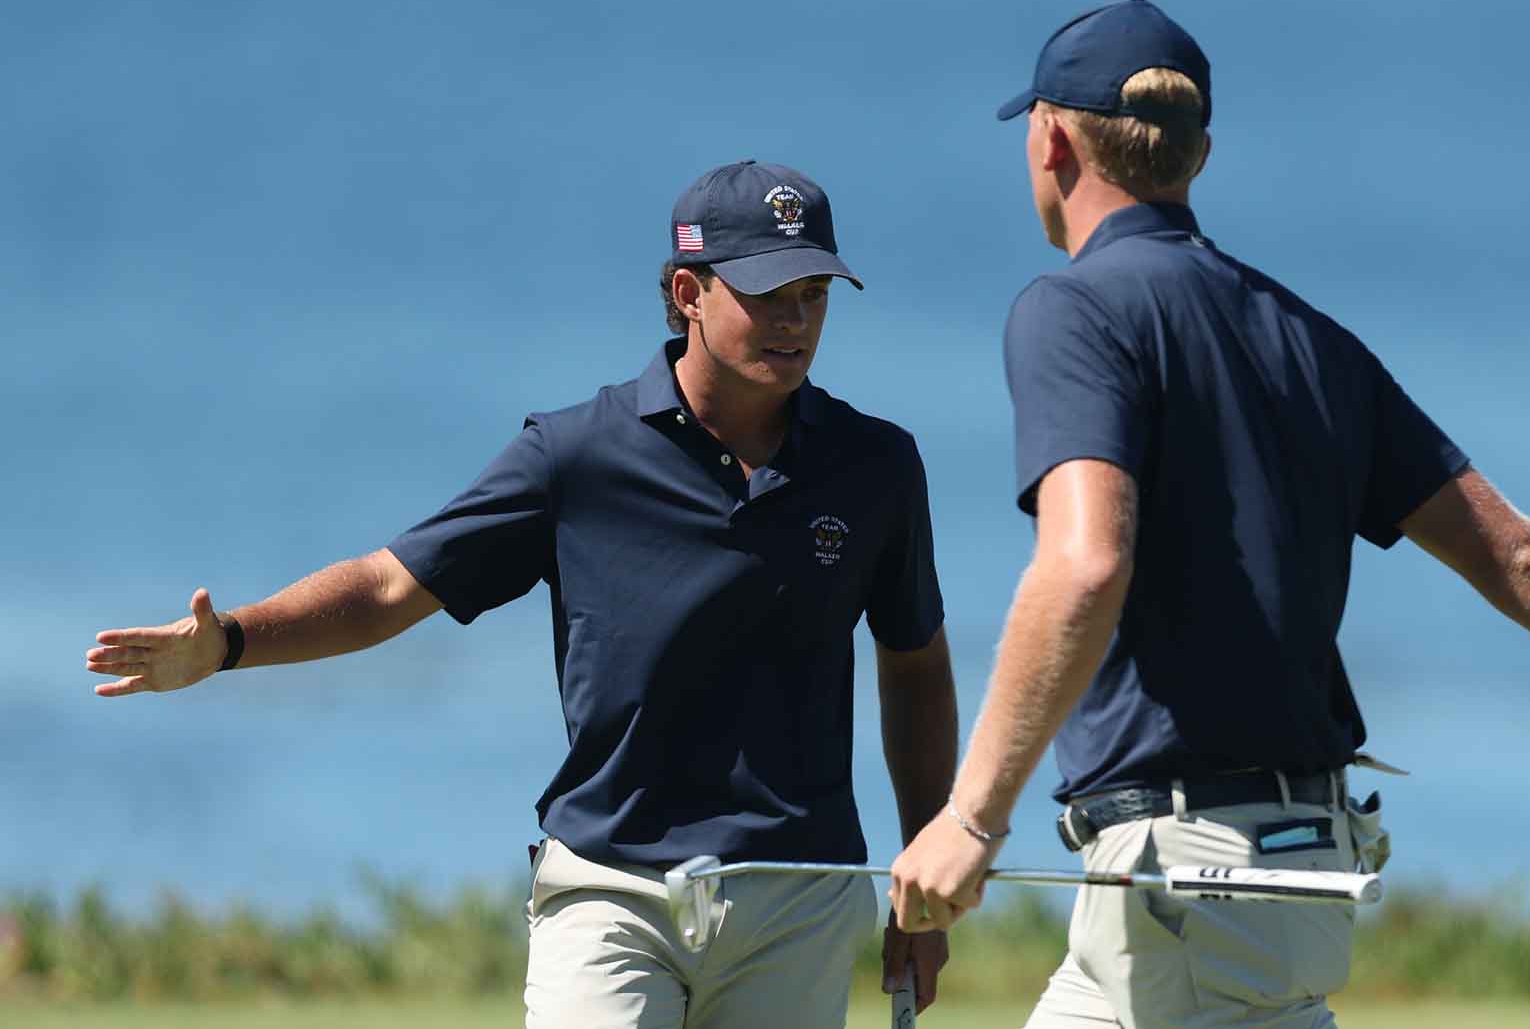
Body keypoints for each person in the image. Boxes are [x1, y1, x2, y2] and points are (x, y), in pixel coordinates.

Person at [888, 0, 1530, 1029]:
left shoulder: (1070, 310)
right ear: (1197, 153)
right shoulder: (1310, 341)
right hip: (1295, 872)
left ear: (1048, 138)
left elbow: (1082, 565)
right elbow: (1521, 560)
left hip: (1181, 888)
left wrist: (972, 818)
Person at [85, 160, 958, 1029]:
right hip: (612, 894)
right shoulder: (576, 456)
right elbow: (391, 586)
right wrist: (230, 641)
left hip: (797, 898)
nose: (796, 320)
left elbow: (915, 665)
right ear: (689, 290)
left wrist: (930, 859)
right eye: (769, 294)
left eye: (813, 293)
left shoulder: (875, 465)